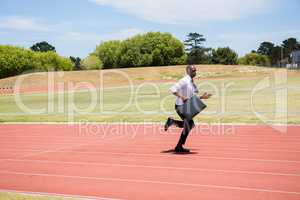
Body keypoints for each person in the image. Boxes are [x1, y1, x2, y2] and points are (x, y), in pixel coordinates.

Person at [164, 65, 212, 153]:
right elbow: (173, 89)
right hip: (181, 106)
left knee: (189, 125)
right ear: (188, 71)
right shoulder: (184, 80)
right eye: (193, 70)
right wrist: (181, 97)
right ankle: (179, 146)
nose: (195, 72)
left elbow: (192, 97)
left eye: (195, 70)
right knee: (189, 124)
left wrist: (202, 97)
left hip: (187, 106)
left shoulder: (191, 82)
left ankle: (172, 123)